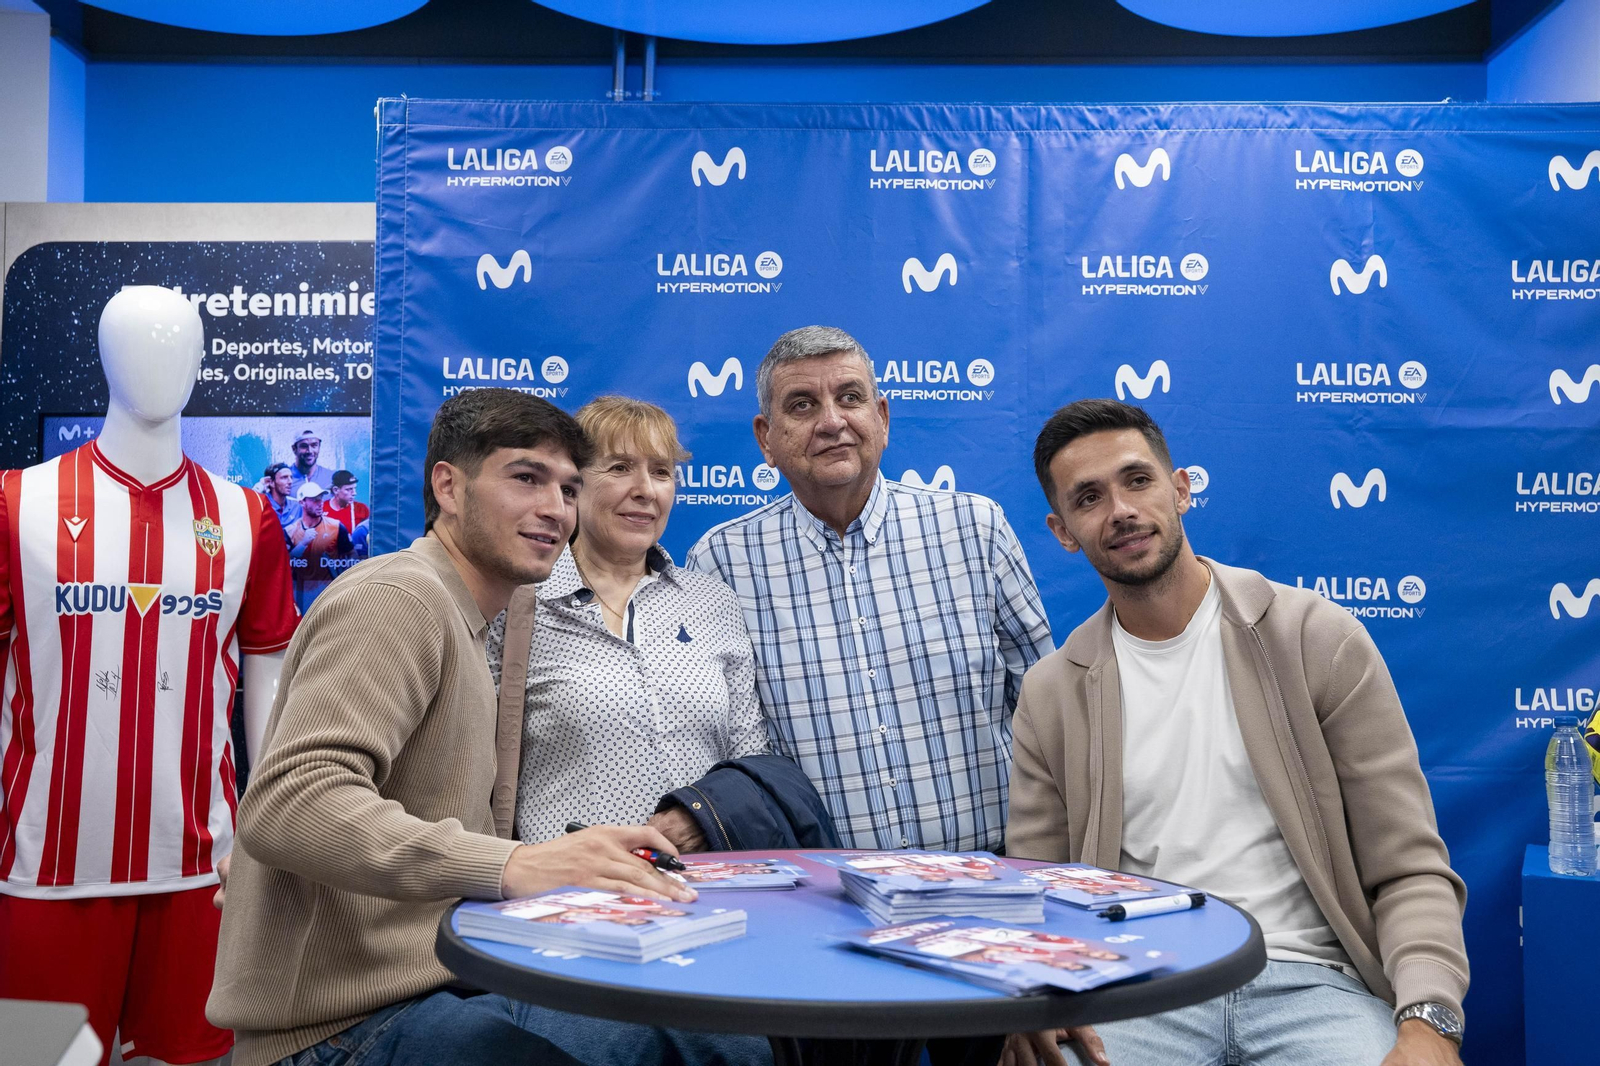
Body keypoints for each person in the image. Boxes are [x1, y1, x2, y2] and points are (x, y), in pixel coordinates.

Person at [208, 388, 700, 1066]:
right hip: (337, 1032)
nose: (554, 508)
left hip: (446, 986)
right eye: (526, 478)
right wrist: (517, 864)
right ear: (449, 485)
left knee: (719, 1039)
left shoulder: (468, 620)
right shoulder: (399, 598)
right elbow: (291, 804)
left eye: (567, 487)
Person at [1003, 399, 1470, 1066]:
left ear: (1181, 488)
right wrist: (1033, 1002)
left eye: (1138, 480)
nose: (1121, 511)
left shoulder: (1317, 638)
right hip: (1134, 995)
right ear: (1064, 531)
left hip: (1314, 985)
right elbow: (1040, 892)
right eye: (1089, 497)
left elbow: (1409, 869)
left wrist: (1429, 1022)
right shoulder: (1053, 692)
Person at [686, 326, 1053, 853]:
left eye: (850, 398)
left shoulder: (975, 528)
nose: (832, 421)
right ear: (766, 438)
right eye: (803, 405)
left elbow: (1047, 709)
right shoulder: (720, 561)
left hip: (988, 879)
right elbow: (725, 749)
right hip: (818, 897)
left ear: (881, 419)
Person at [487, 396, 832, 857]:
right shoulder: (515, 606)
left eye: (662, 471)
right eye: (620, 467)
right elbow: (471, 770)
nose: (645, 489)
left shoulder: (713, 601)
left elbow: (750, 760)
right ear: (574, 483)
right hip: (572, 893)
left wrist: (702, 815)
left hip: (707, 890)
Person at [284, 481, 355, 613]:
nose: (320, 503)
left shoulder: (336, 527)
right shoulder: (290, 531)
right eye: (315, 500)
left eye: (321, 499)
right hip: (298, 595)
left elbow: (352, 556)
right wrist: (303, 543)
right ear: (302, 502)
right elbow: (283, 565)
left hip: (329, 595)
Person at [286, 427, 336, 497]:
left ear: (319, 447)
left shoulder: (332, 478)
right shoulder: (283, 480)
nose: (309, 451)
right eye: (304, 446)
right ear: (294, 449)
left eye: (314, 445)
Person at [324, 469, 369, 534]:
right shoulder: (322, 509)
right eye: (349, 489)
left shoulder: (362, 509)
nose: (354, 493)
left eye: (354, 488)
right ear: (336, 490)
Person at [255, 460, 298, 527]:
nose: (290, 481)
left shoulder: (297, 506)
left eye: (291, 477)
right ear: (271, 482)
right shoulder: (261, 505)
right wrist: (260, 485)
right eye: (284, 477)